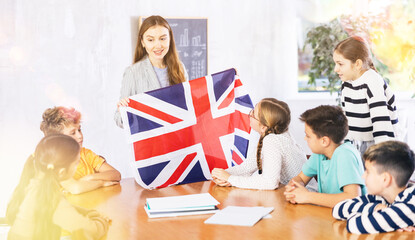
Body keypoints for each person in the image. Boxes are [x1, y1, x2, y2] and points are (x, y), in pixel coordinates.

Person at [6, 134, 110, 239]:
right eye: (76, 163)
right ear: (62, 172)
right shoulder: (50, 198)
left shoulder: (35, 186)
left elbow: (68, 209)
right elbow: (90, 230)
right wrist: (101, 220)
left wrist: (91, 213)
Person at [211, 98, 309, 190]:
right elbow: (247, 167)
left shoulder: (272, 140)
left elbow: (270, 182)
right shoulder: (278, 135)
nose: (249, 114)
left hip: (303, 201)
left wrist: (230, 179)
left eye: (253, 114)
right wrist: (223, 175)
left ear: (263, 127)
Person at [284, 105, 366, 208]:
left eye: (308, 136)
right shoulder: (320, 153)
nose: (305, 139)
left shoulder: (345, 155)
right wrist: (293, 188)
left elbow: (353, 198)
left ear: (324, 141)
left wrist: (307, 196)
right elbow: (301, 177)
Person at [114, 15, 189, 128]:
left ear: (170, 39)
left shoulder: (180, 68)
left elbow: (187, 107)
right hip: (151, 142)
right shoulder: (132, 73)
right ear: (143, 42)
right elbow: (118, 120)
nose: (158, 45)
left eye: (163, 38)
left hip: (178, 139)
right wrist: (123, 111)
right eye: (150, 40)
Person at [333, 36, 399, 156]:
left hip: (378, 145)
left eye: (340, 64)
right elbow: (347, 118)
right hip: (357, 143)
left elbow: (381, 122)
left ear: (357, 64)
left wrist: (382, 156)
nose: (335, 69)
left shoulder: (372, 81)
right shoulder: (347, 83)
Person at [333, 141, 415, 234]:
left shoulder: (410, 205)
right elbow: (338, 209)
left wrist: (388, 220)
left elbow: (355, 225)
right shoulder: (381, 198)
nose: (363, 176)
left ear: (385, 179)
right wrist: (375, 208)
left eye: (368, 171)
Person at [41, 106, 121, 194]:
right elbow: (76, 188)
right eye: (73, 133)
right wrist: (101, 183)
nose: (80, 136)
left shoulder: (85, 154)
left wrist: (89, 178)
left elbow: (116, 174)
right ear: (58, 139)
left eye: (79, 130)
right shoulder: (56, 162)